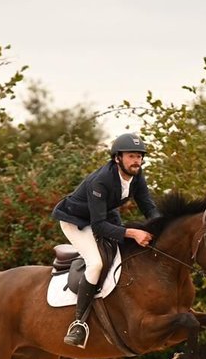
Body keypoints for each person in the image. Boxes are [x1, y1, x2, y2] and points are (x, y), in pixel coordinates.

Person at [50, 132, 161, 347]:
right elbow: (99, 225)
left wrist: (163, 227)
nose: (136, 161)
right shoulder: (100, 181)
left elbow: (148, 207)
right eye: (131, 156)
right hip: (76, 221)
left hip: (102, 215)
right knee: (96, 264)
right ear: (117, 158)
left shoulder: (137, 176)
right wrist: (133, 232)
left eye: (139, 156)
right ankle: (78, 323)